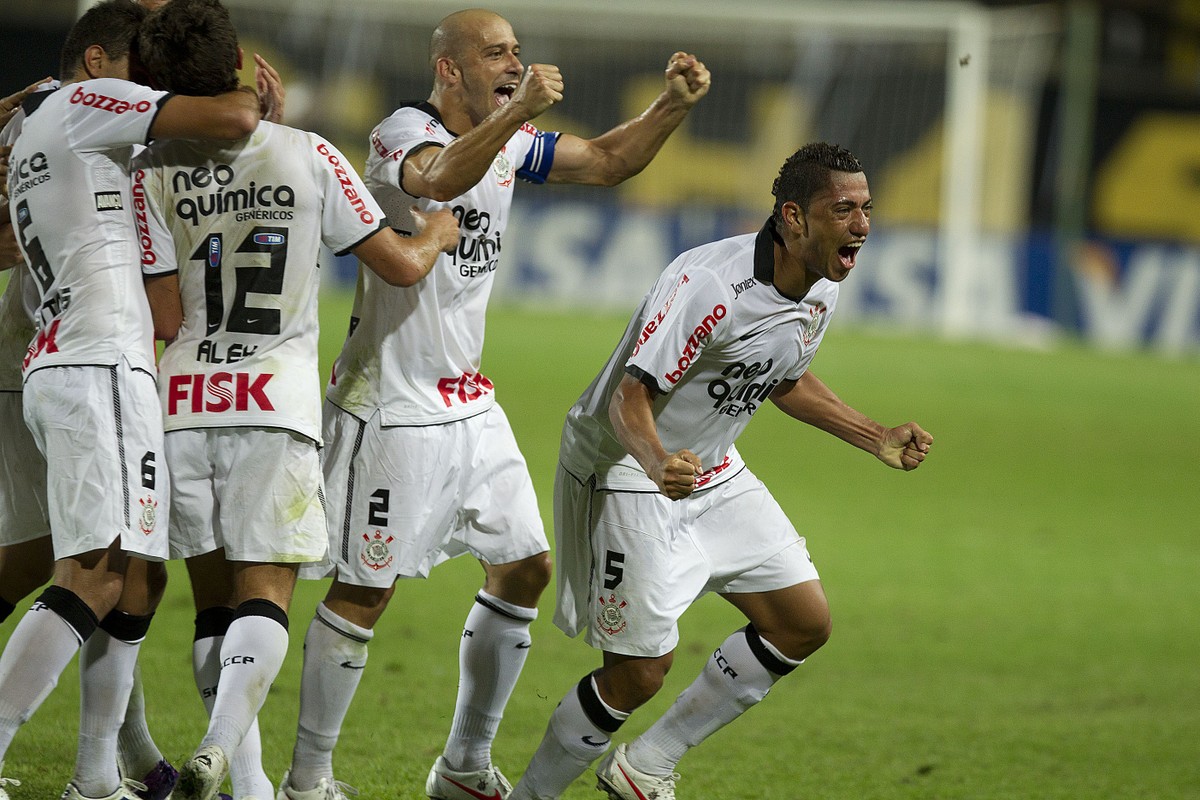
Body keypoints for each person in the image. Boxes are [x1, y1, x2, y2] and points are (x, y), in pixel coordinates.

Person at [274, 8, 711, 800]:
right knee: (367, 591)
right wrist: (517, 112)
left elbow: (609, 160)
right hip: (392, 405)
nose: (514, 63)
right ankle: (308, 780)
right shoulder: (400, 131)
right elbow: (437, 179)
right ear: (450, 69)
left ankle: (464, 768)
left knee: (524, 567)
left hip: (469, 402)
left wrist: (671, 105)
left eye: (518, 52)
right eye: (496, 53)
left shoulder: (510, 136)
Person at [507, 142, 934, 800]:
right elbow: (628, 398)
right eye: (843, 209)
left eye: (867, 209)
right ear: (794, 218)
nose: (862, 225)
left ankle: (645, 766)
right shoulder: (708, 285)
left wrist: (873, 434)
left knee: (802, 621)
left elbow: (781, 378)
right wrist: (657, 464)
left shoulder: (820, 286)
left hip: (712, 467)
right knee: (639, 672)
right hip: (625, 465)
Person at [131, 2, 460, 799]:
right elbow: (402, 267)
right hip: (273, 404)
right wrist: (438, 236)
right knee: (264, 597)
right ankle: (217, 749)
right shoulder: (309, 152)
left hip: (182, 401)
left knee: (213, 606)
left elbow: (165, 316)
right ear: (242, 60)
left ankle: (243, 787)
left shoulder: (146, 170)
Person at [0, 0, 260, 797]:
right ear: (94, 62)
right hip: (101, 360)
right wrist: (229, 86)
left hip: (68, 359)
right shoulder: (84, 103)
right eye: (133, 72)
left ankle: (101, 777)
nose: (140, 89)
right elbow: (232, 115)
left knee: (127, 573)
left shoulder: (39, 130)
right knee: (95, 572)